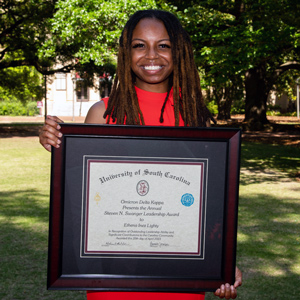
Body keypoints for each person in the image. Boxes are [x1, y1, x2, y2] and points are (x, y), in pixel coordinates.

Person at [40, 9, 242, 300]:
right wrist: (56, 140)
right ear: (126, 52)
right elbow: (85, 198)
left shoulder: (197, 119)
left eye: (163, 45)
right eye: (139, 45)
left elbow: (210, 208)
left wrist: (222, 262)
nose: (151, 56)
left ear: (179, 52)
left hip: (180, 281)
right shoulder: (103, 113)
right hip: (113, 280)